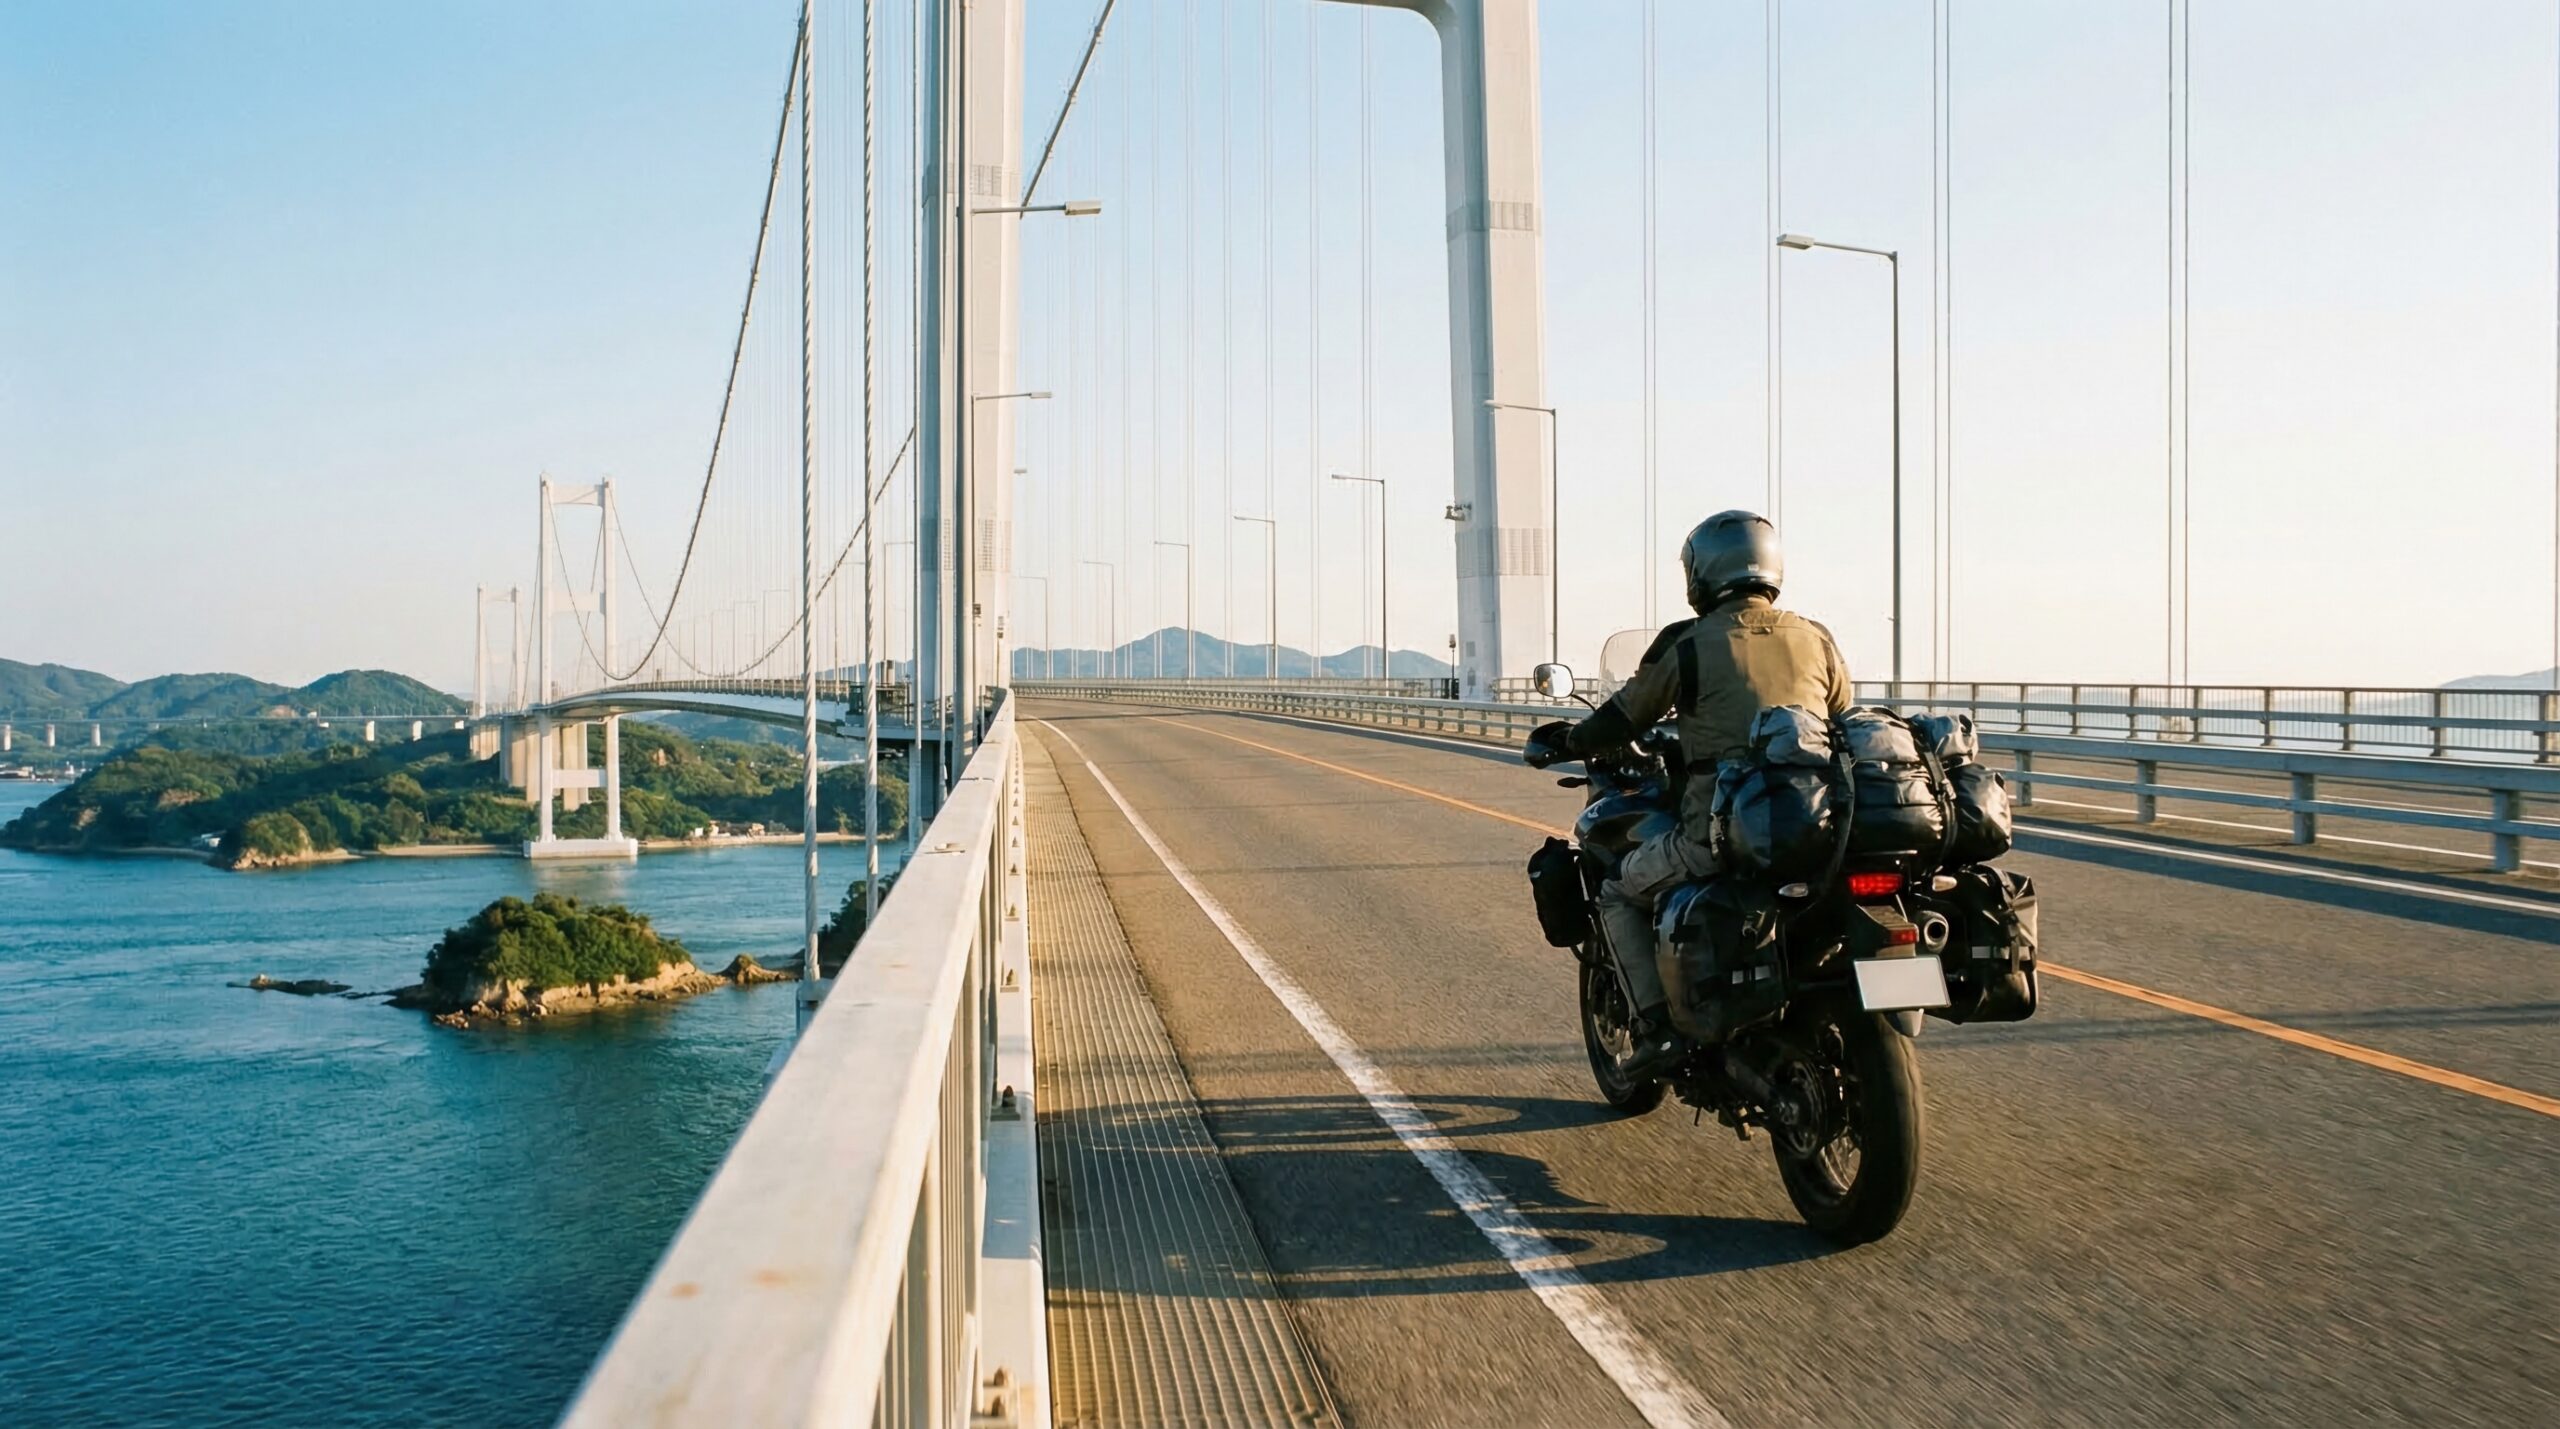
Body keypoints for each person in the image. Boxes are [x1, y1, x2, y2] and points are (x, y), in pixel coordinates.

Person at [1525, 510, 1851, 1076]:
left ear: (1701, 573)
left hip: (1719, 835)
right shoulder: (1815, 637)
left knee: (1615, 891)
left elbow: (1627, 714)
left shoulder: (1691, 644)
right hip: (1819, 827)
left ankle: (1655, 1029)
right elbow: (1842, 717)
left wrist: (1572, 739)